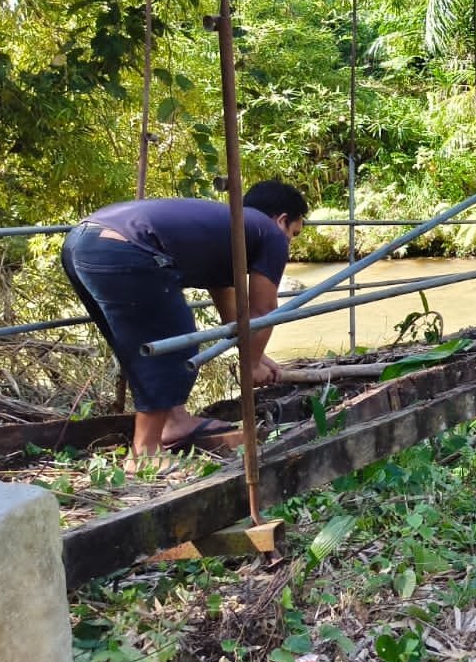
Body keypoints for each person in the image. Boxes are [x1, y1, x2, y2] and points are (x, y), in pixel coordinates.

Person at [61, 181, 308, 457]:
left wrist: (257, 357)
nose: (289, 242)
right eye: (293, 234)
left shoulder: (229, 231)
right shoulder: (270, 233)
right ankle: (145, 454)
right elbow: (263, 312)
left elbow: (237, 318)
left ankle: (174, 421)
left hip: (81, 242)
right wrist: (250, 367)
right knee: (175, 343)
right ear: (282, 220)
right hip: (123, 248)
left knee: (143, 344)